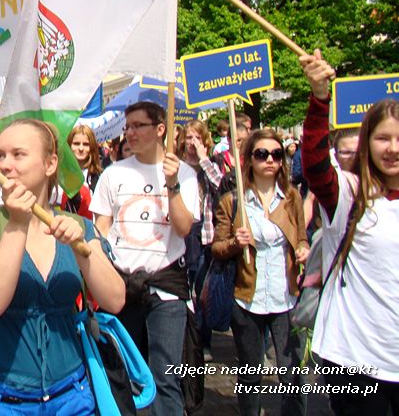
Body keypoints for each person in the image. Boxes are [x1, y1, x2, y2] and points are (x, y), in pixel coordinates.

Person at [0, 119, 125, 413]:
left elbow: (115, 300)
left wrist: (83, 252)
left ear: (50, 163)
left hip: (72, 395)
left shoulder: (79, 226)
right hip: (5, 399)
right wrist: (17, 224)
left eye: (18, 154)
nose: (4, 164)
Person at [300, 49, 399, 415]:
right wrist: (319, 98)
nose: (392, 149)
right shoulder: (350, 193)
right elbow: (313, 162)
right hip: (354, 357)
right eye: (382, 139)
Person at [91, 101, 200, 416]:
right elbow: (102, 229)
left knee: (165, 376)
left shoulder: (184, 174)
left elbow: (182, 228)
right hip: (123, 288)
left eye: (139, 125)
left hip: (165, 289)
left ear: (160, 129)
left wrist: (173, 185)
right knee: (127, 375)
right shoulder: (113, 174)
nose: (130, 133)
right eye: (128, 126)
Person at [211, 129, 309, 416]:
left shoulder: (291, 198)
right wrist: (234, 243)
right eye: (262, 154)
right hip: (247, 298)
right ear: (249, 159)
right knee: (250, 374)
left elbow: (301, 237)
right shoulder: (234, 201)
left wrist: (302, 248)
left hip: (285, 297)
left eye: (276, 154)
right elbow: (217, 248)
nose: (270, 160)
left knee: (291, 373)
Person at [176, 120, 223, 361]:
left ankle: (203, 339)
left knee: (202, 291)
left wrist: (204, 160)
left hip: (205, 235)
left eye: (197, 138)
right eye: (189, 137)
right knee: (185, 288)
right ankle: (186, 337)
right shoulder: (177, 166)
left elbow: (222, 187)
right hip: (185, 232)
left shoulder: (211, 166)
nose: (192, 143)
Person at [61, 125, 103, 219]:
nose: (81, 148)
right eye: (76, 143)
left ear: (92, 147)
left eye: (86, 144)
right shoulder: (59, 176)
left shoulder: (100, 177)